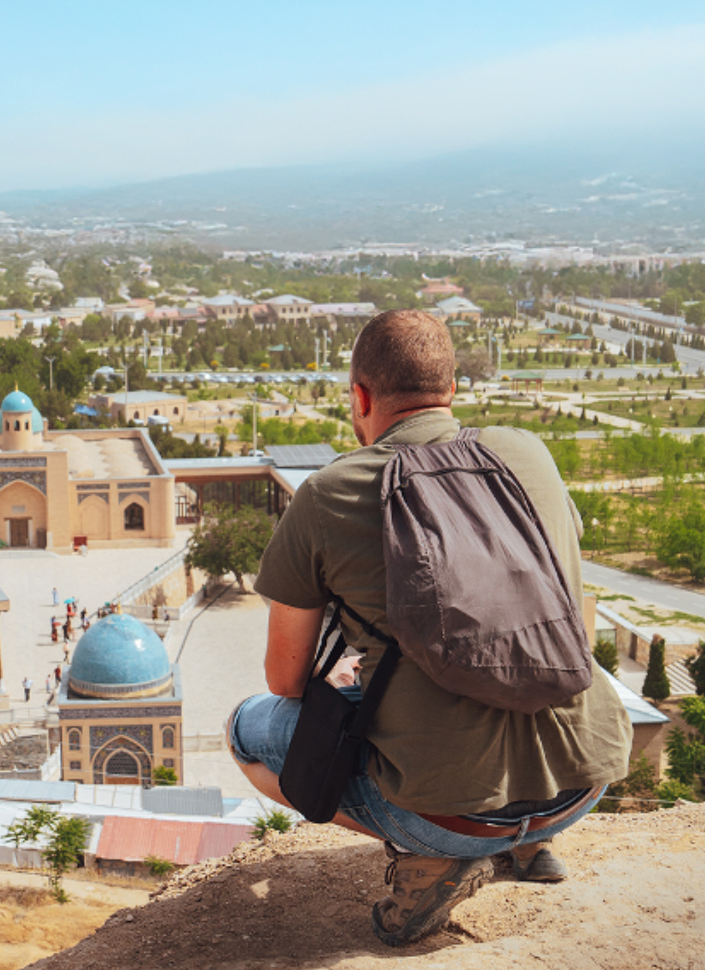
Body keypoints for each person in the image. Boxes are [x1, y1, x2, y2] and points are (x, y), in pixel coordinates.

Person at [226, 310, 630, 947]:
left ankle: (438, 855)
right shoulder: (527, 452)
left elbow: (285, 679)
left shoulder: (329, 493)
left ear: (360, 396)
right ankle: (530, 845)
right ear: (451, 388)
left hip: (453, 818)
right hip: (582, 784)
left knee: (249, 730)